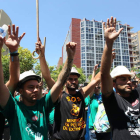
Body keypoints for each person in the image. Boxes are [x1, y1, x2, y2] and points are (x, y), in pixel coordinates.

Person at [0, 26, 77, 140]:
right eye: (30, 87)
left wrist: (70, 57)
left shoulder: (43, 105)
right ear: (20, 90)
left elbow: (60, 81)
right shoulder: (13, 108)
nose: (36, 90)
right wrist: (13, 51)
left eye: (37, 86)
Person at [101, 16, 140, 140]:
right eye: (122, 79)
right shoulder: (112, 100)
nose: (128, 81)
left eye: (129, 78)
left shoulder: (137, 94)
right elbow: (104, 75)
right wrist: (108, 43)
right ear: (113, 84)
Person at [53, 66, 101, 140]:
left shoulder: (82, 94)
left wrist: (108, 61)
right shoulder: (60, 95)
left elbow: (95, 80)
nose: (73, 81)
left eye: (75, 79)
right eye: (70, 79)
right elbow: (48, 78)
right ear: (65, 81)